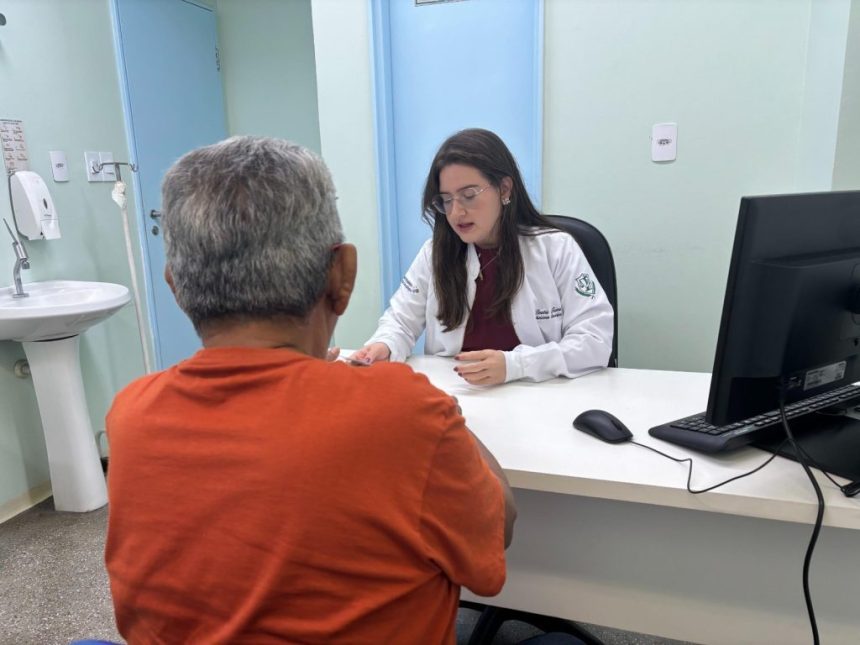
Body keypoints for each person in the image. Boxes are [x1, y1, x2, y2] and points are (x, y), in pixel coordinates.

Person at [103, 136, 516, 644]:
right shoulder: (404, 413)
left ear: (175, 285)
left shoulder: (131, 416)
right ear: (342, 275)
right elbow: (495, 539)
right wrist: (442, 414)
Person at [352, 128, 614, 386]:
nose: (456, 213)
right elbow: (400, 321)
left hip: (539, 394)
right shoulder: (434, 254)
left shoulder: (556, 249)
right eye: (446, 200)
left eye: (468, 196)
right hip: (458, 395)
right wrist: (384, 344)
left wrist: (516, 365)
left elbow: (595, 339)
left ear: (504, 189)